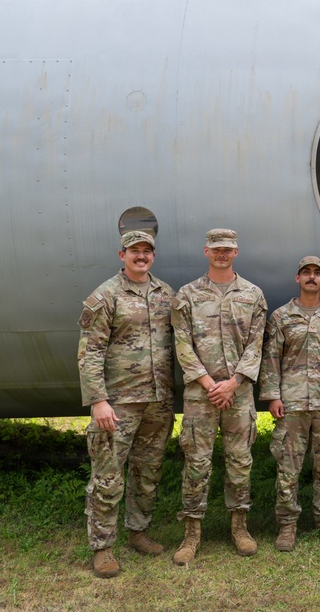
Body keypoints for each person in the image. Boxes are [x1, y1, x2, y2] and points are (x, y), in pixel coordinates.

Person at [77, 230, 175, 578]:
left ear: (153, 256)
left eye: (147, 251)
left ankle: (139, 532)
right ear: (122, 255)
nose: (141, 256)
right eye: (135, 251)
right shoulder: (105, 296)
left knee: (147, 473)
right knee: (107, 477)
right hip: (118, 404)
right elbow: (91, 352)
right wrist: (98, 401)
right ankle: (103, 548)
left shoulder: (166, 294)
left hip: (158, 401)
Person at [170, 229, 267, 565]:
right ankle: (191, 534)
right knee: (196, 464)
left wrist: (234, 383)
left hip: (238, 395)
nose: (222, 254)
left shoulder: (253, 295)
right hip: (201, 394)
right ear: (206, 251)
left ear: (236, 252)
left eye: (227, 249)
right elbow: (182, 343)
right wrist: (210, 383)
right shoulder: (187, 295)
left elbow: (256, 344)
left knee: (240, 463)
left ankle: (240, 528)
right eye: (216, 249)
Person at [260, 256, 320, 551]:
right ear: (297, 278)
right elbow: (271, 359)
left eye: (317, 273)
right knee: (288, 468)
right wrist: (273, 395)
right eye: (306, 273)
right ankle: (287, 525)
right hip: (292, 402)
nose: (311, 277)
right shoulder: (281, 316)